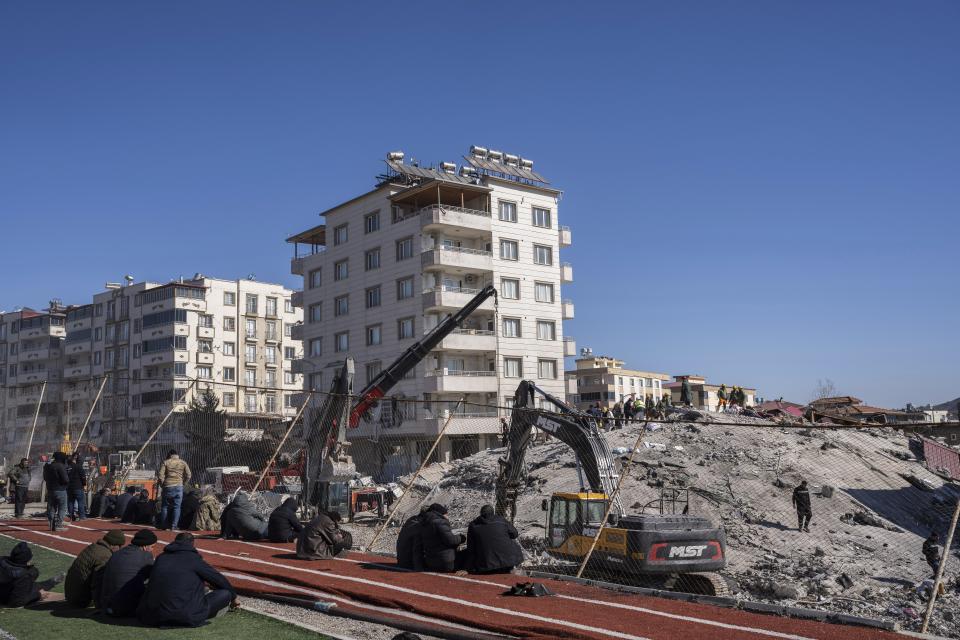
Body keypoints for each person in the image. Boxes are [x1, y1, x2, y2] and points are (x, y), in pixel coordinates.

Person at [138, 532, 236, 627]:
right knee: (225, 593)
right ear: (192, 544)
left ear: (175, 542)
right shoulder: (194, 559)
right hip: (186, 615)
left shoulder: (161, 558)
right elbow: (218, 579)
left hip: (154, 616)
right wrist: (234, 597)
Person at [100, 529, 157, 616]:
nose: (152, 550)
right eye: (152, 547)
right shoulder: (145, 556)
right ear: (145, 546)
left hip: (107, 605)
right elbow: (155, 576)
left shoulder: (117, 553)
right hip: (127, 609)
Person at [64, 529, 125, 607]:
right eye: (119, 546)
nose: (119, 549)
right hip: (80, 599)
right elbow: (98, 584)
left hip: (71, 593)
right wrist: (100, 605)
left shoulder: (93, 547)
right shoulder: (105, 555)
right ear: (114, 545)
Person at [0, 542, 63, 606]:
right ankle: (51, 582)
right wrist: (38, 595)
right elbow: (17, 601)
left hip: (6, 588)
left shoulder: (2, 561)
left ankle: (51, 582)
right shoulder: (24, 575)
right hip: (6, 597)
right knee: (34, 588)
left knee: (33, 585)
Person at [464, 505, 523, 574]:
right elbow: (514, 534)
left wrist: (467, 567)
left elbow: (471, 548)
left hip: (486, 564)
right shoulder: (501, 520)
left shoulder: (473, 524)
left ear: (481, 513)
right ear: (493, 513)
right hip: (508, 562)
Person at [420, 503, 465, 573]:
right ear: (441, 513)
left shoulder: (424, 523)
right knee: (467, 553)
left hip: (431, 563)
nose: (447, 516)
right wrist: (461, 538)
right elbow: (451, 540)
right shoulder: (440, 522)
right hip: (445, 564)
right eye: (446, 514)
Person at [157, 449, 191, 530]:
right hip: (179, 486)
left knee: (165, 506)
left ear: (169, 454)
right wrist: (183, 483)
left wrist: (162, 485)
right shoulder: (183, 462)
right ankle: (174, 526)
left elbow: (160, 475)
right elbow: (189, 475)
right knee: (177, 507)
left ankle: (164, 525)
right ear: (177, 454)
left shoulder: (166, 462)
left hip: (167, 486)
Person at [43, 451, 70, 531]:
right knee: (62, 507)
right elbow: (65, 479)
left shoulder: (48, 466)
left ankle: (51, 523)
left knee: (51, 507)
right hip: (60, 489)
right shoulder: (60, 466)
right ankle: (58, 524)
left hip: (50, 489)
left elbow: (45, 478)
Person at [66, 454, 87, 522]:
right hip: (78, 486)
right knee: (80, 501)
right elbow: (83, 477)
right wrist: (84, 484)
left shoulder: (67, 467)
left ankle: (71, 516)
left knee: (70, 502)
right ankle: (82, 516)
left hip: (69, 487)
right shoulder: (78, 467)